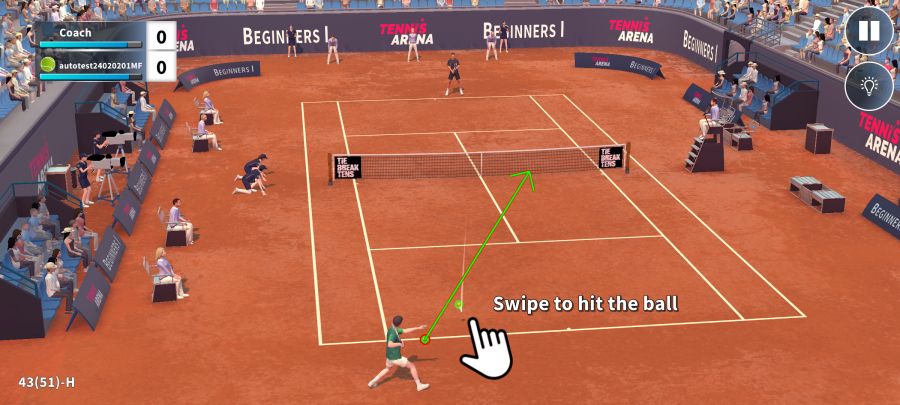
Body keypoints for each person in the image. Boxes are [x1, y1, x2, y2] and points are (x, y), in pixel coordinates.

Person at [367, 315, 430, 391]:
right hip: (396, 357)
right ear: (400, 323)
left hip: (389, 356)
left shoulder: (393, 329)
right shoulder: (393, 333)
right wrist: (400, 344)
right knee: (412, 366)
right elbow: (390, 344)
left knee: (387, 369)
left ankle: (372, 382)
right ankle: (419, 385)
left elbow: (405, 330)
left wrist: (418, 328)